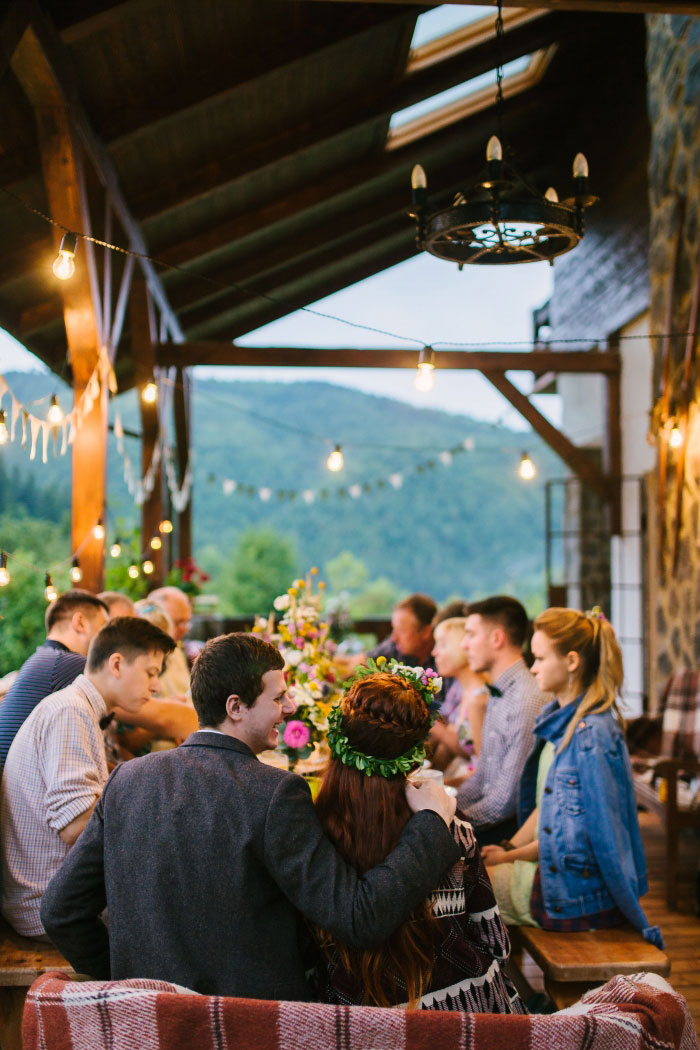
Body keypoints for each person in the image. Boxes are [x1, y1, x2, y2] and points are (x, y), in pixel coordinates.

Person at [41, 633, 461, 998]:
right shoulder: (276, 793)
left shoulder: (127, 780)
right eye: (278, 697)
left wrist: (124, 979)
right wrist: (431, 825)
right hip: (249, 1026)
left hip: (148, 1025)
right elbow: (359, 917)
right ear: (236, 707)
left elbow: (61, 910)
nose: (291, 706)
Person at [311, 667, 524, 1012]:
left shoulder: (312, 838)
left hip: (361, 1021)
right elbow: (496, 942)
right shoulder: (452, 828)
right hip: (466, 1013)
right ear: (414, 756)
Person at [482, 607, 664, 949]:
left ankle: (502, 995)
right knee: (465, 886)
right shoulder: (565, 722)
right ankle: (511, 992)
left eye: (538, 658)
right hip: (562, 880)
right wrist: (508, 846)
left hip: (574, 893)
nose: (532, 667)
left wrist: (507, 858)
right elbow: (547, 806)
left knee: (461, 896)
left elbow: (578, 840)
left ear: (571, 661)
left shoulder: (590, 736)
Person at [1, 617, 174, 937]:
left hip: (55, 894)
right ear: (117, 664)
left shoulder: (79, 708)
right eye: (151, 673)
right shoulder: (70, 711)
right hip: (48, 905)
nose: (155, 686)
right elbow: (77, 826)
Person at [457, 596, 547, 846]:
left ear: (497, 638)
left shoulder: (525, 699)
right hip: (490, 818)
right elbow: (483, 774)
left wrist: (449, 822)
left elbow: (505, 803)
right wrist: (445, 809)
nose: (464, 645)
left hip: (508, 831)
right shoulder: (499, 691)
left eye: (471, 635)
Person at [0, 590, 109, 768]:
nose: (109, 641)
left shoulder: (44, 658)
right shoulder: (68, 663)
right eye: (104, 628)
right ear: (80, 622)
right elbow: (141, 710)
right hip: (23, 788)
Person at [429, 616, 489, 775]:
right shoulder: (459, 687)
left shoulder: (481, 696)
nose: (434, 652)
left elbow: (478, 763)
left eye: (442, 645)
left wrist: (426, 717)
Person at [147, 586, 192, 699]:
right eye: (177, 622)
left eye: (186, 621)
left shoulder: (177, 651)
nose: (185, 629)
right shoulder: (143, 656)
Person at [368, 594, 437, 667]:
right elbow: (359, 663)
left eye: (401, 631)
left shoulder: (444, 658)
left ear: (425, 632)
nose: (394, 638)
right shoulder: (394, 648)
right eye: (393, 629)